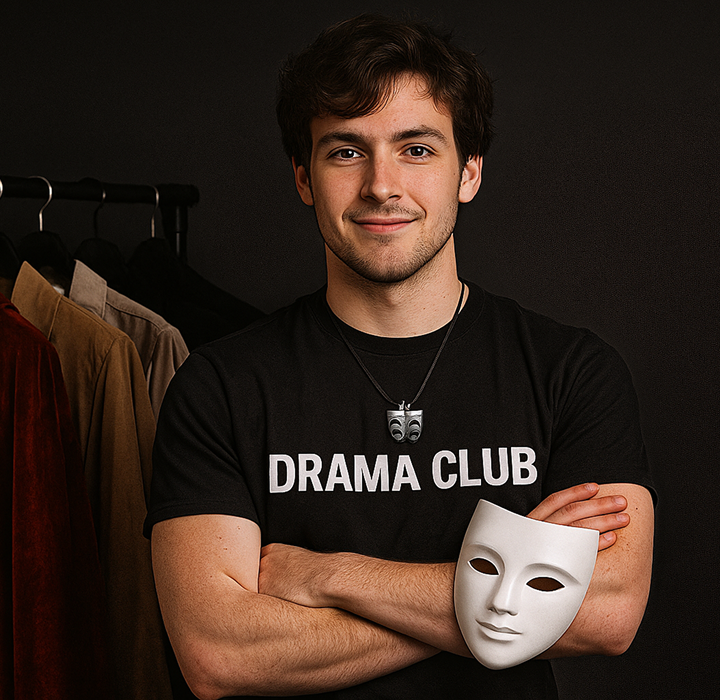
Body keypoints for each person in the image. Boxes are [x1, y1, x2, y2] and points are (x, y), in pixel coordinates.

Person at [145, 14, 655, 700]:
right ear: (303, 177)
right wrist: (517, 585)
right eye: (345, 152)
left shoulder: (571, 372)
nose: (381, 185)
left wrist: (329, 576)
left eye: (416, 149)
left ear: (468, 171)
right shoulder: (219, 387)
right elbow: (219, 652)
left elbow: (606, 611)